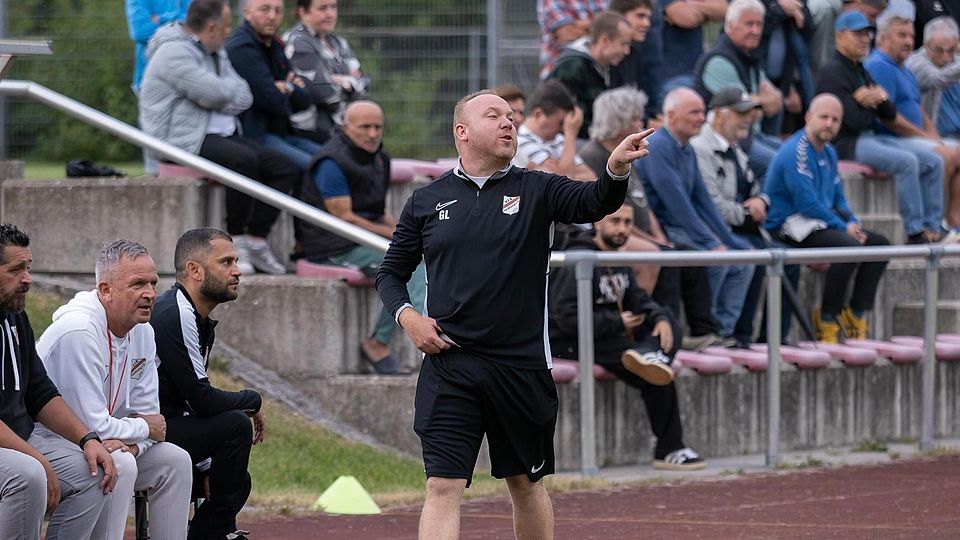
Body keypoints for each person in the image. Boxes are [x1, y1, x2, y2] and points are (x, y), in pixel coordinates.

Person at [376, 89, 653, 539]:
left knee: (525, 485)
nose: (509, 123)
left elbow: (597, 201)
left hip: (520, 366)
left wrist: (616, 167)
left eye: (511, 116)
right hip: (449, 365)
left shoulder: (538, 188)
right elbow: (390, 273)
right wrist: (408, 317)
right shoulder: (428, 200)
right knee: (441, 486)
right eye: (495, 116)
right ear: (462, 131)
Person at [36, 240, 192, 540]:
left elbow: (155, 425)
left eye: (153, 283)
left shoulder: (144, 330)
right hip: (49, 440)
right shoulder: (79, 331)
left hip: (111, 442)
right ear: (105, 290)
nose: (149, 293)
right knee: (117, 464)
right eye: (137, 284)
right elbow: (95, 428)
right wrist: (142, 430)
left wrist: (136, 444)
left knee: (174, 461)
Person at [139, 0, 299, 275]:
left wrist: (216, 95)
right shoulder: (173, 53)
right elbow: (215, 93)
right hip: (179, 140)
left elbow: (243, 94)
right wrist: (218, 95)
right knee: (244, 161)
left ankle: (257, 240)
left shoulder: (214, 49)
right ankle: (234, 241)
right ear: (212, 27)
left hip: (215, 134)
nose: (229, 33)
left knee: (283, 166)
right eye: (226, 27)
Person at [548, 204, 707, 470]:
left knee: (669, 323)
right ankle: (670, 448)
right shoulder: (580, 258)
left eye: (627, 223)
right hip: (571, 340)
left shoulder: (618, 258)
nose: (622, 229)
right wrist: (616, 321)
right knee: (654, 374)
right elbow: (564, 317)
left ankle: (651, 355)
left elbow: (639, 299)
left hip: (609, 336)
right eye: (615, 221)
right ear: (598, 223)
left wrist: (660, 319)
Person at [580, 87, 730, 350]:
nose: (643, 124)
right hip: (619, 236)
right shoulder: (594, 156)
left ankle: (704, 330)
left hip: (644, 234)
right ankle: (664, 333)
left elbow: (643, 204)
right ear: (620, 122)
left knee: (687, 256)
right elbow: (607, 213)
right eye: (637, 119)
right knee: (666, 257)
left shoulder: (628, 153)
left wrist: (660, 237)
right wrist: (656, 243)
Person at [0, 224, 117, 540]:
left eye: (28, 267)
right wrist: (37, 458)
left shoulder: (14, 316)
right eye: (16, 270)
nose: (27, 279)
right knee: (29, 476)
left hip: (20, 443)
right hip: (13, 448)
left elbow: (40, 392)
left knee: (94, 472)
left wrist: (88, 439)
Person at [151, 228, 265, 540]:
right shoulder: (175, 313)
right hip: (142, 433)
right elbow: (202, 400)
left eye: (236, 261)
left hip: (168, 427)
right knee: (235, 426)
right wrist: (251, 399)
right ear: (195, 270)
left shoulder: (194, 315)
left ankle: (206, 534)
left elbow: (192, 400)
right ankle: (222, 533)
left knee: (238, 480)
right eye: (226, 262)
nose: (237, 270)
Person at [300, 101, 421, 374]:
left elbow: (378, 212)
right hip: (334, 244)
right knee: (409, 270)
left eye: (377, 127)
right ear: (346, 127)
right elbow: (343, 217)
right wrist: (395, 236)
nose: (372, 134)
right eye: (364, 127)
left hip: (361, 239)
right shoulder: (331, 161)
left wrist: (406, 234)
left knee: (421, 258)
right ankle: (378, 344)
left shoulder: (380, 158)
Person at [764, 94, 890, 342]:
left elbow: (838, 198)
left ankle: (854, 313)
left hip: (818, 222)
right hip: (789, 225)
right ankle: (827, 318)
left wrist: (852, 222)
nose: (829, 124)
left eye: (835, 119)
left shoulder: (830, 152)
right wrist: (843, 228)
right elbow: (807, 204)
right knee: (849, 248)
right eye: (824, 117)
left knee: (880, 245)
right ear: (808, 117)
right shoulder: (795, 151)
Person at [816, 10, 946, 245]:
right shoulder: (832, 72)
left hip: (869, 138)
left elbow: (888, 112)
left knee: (934, 161)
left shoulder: (861, 70)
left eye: (866, 33)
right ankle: (915, 232)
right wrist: (869, 103)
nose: (864, 39)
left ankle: (933, 228)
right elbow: (854, 121)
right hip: (848, 143)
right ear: (840, 36)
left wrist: (879, 97)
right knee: (908, 162)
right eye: (857, 34)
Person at [637, 87, 754, 341]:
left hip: (682, 227)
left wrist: (732, 243)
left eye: (703, 111)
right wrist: (712, 244)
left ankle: (725, 331)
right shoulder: (659, 146)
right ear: (671, 115)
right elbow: (678, 205)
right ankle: (704, 330)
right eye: (694, 112)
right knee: (716, 262)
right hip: (661, 230)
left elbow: (703, 202)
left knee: (744, 262)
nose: (702, 117)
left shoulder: (686, 148)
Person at [691, 88, 800, 346]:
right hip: (718, 229)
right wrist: (748, 212)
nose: (747, 119)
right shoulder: (700, 149)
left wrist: (761, 201)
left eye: (749, 113)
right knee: (752, 253)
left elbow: (755, 187)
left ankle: (773, 337)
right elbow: (712, 204)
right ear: (718, 114)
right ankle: (734, 333)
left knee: (789, 260)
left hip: (743, 226)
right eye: (740, 113)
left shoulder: (735, 148)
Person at [867, 12, 960, 240]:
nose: (909, 41)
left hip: (915, 136)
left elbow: (918, 108)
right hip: (890, 138)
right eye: (902, 35)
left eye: (911, 35)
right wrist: (925, 137)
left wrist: (932, 136)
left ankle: (953, 219)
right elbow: (888, 117)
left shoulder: (904, 68)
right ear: (884, 38)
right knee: (943, 156)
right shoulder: (879, 64)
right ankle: (933, 225)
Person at [226, 0, 321, 172]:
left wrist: (287, 88)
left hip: (283, 133)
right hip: (255, 135)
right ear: (247, 13)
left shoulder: (275, 46)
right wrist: (288, 87)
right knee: (312, 168)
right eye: (265, 9)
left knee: (333, 163)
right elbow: (272, 100)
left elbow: (305, 100)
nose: (272, 16)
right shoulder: (241, 48)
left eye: (278, 11)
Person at [692, 0, 783, 180]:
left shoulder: (749, 56)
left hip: (753, 135)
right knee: (779, 164)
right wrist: (763, 101)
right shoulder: (718, 60)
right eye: (749, 24)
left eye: (759, 24)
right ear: (730, 25)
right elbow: (745, 110)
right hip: (727, 142)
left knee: (792, 154)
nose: (755, 31)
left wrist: (761, 101)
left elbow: (776, 101)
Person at [284, 0, 370, 144]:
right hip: (310, 133)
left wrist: (343, 82)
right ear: (303, 11)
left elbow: (366, 84)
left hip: (342, 130)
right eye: (322, 8)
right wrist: (349, 82)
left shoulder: (338, 42)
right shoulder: (298, 42)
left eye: (333, 7)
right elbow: (326, 95)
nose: (330, 14)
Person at [546, 11, 633, 139]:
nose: (627, 51)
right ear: (605, 41)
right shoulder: (572, 67)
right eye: (623, 44)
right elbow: (567, 119)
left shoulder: (610, 66)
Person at [513, 80, 596, 180]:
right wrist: (570, 135)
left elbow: (591, 177)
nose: (564, 128)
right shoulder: (520, 142)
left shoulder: (559, 140)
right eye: (561, 122)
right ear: (538, 115)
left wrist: (560, 171)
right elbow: (566, 180)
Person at [608, 0, 665, 123]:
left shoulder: (634, 54)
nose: (646, 23)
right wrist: (646, 123)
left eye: (648, 18)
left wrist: (653, 118)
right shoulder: (607, 57)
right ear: (620, 16)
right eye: (640, 16)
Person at [905, 17, 960, 138]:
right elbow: (938, 78)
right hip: (935, 135)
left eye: (951, 50)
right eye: (939, 50)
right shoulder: (915, 62)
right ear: (926, 46)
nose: (946, 57)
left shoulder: (956, 60)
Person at [660, 0, 727, 93]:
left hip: (700, 72)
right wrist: (705, 14)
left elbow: (722, 9)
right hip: (670, 76)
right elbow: (688, 18)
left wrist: (689, 4)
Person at [537, 0, 606, 77]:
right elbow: (566, 34)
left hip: (599, 74)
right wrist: (601, 26)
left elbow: (615, 27)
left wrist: (577, 25)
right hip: (561, 77)